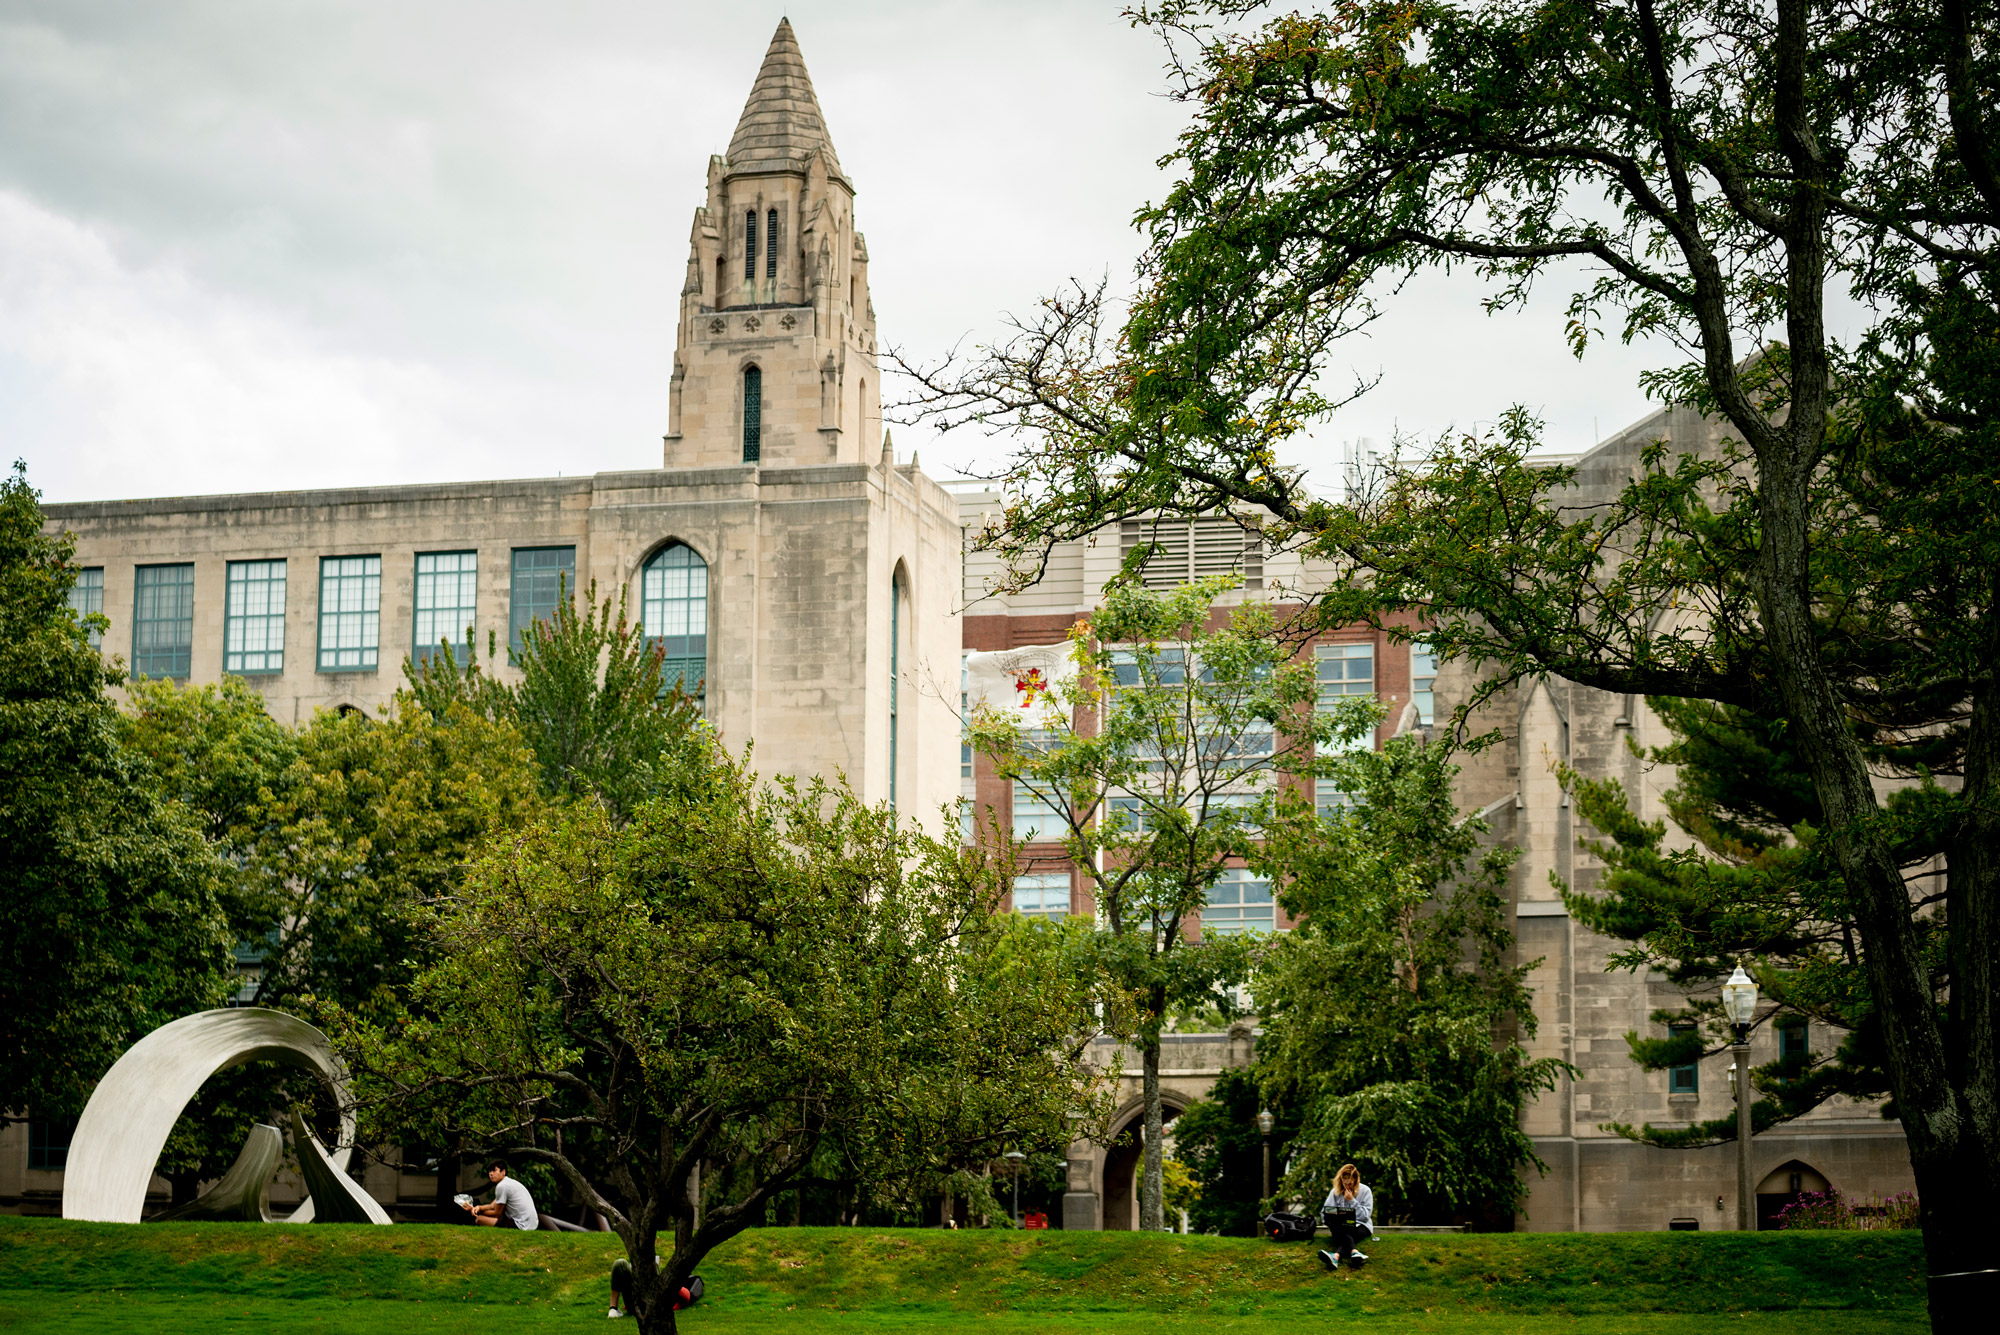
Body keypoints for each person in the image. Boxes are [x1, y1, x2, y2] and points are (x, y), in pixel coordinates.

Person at [1317, 1162, 1373, 1271]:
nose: (1347, 1186)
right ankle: (1354, 1252)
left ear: (1356, 1181)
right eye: (1345, 1183)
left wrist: (1352, 1201)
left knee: (1345, 1234)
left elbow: (1365, 1216)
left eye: (1350, 1183)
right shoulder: (1335, 1192)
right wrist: (1330, 1219)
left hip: (1360, 1226)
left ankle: (1336, 1256)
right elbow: (1325, 1213)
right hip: (1340, 1226)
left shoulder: (1365, 1191)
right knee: (1339, 1228)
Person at [460, 1158, 538, 1230]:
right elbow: (492, 1206)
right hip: (532, 1224)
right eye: (490, 1171)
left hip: (522, 1225)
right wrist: (478, 1207)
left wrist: (476, 1211)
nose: (491, 1174)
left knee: (479, 1219)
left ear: (503, 1172)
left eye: (494, 1171)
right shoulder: (509, 1182)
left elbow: (496, 1213)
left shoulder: (502, 1186)